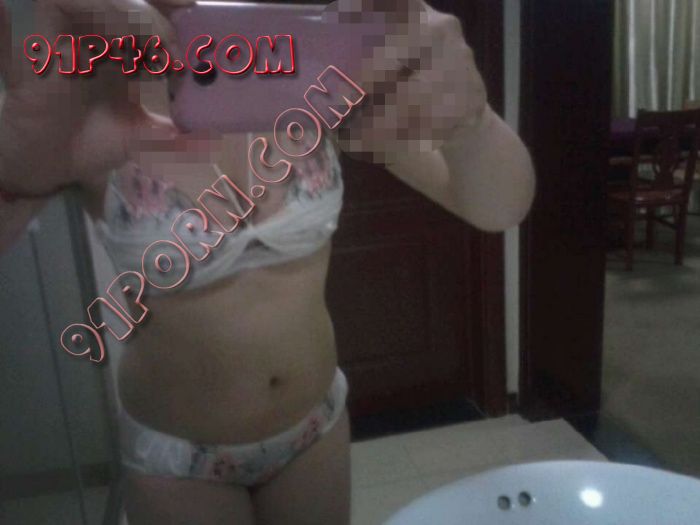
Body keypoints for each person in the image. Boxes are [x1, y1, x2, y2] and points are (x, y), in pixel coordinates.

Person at [0, 1, 535, 523]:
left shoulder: (310, 60)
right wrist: (11, 182)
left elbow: (499, 207)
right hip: (179, 461)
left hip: (313, 430)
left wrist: (471, 124)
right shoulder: (99, 82)